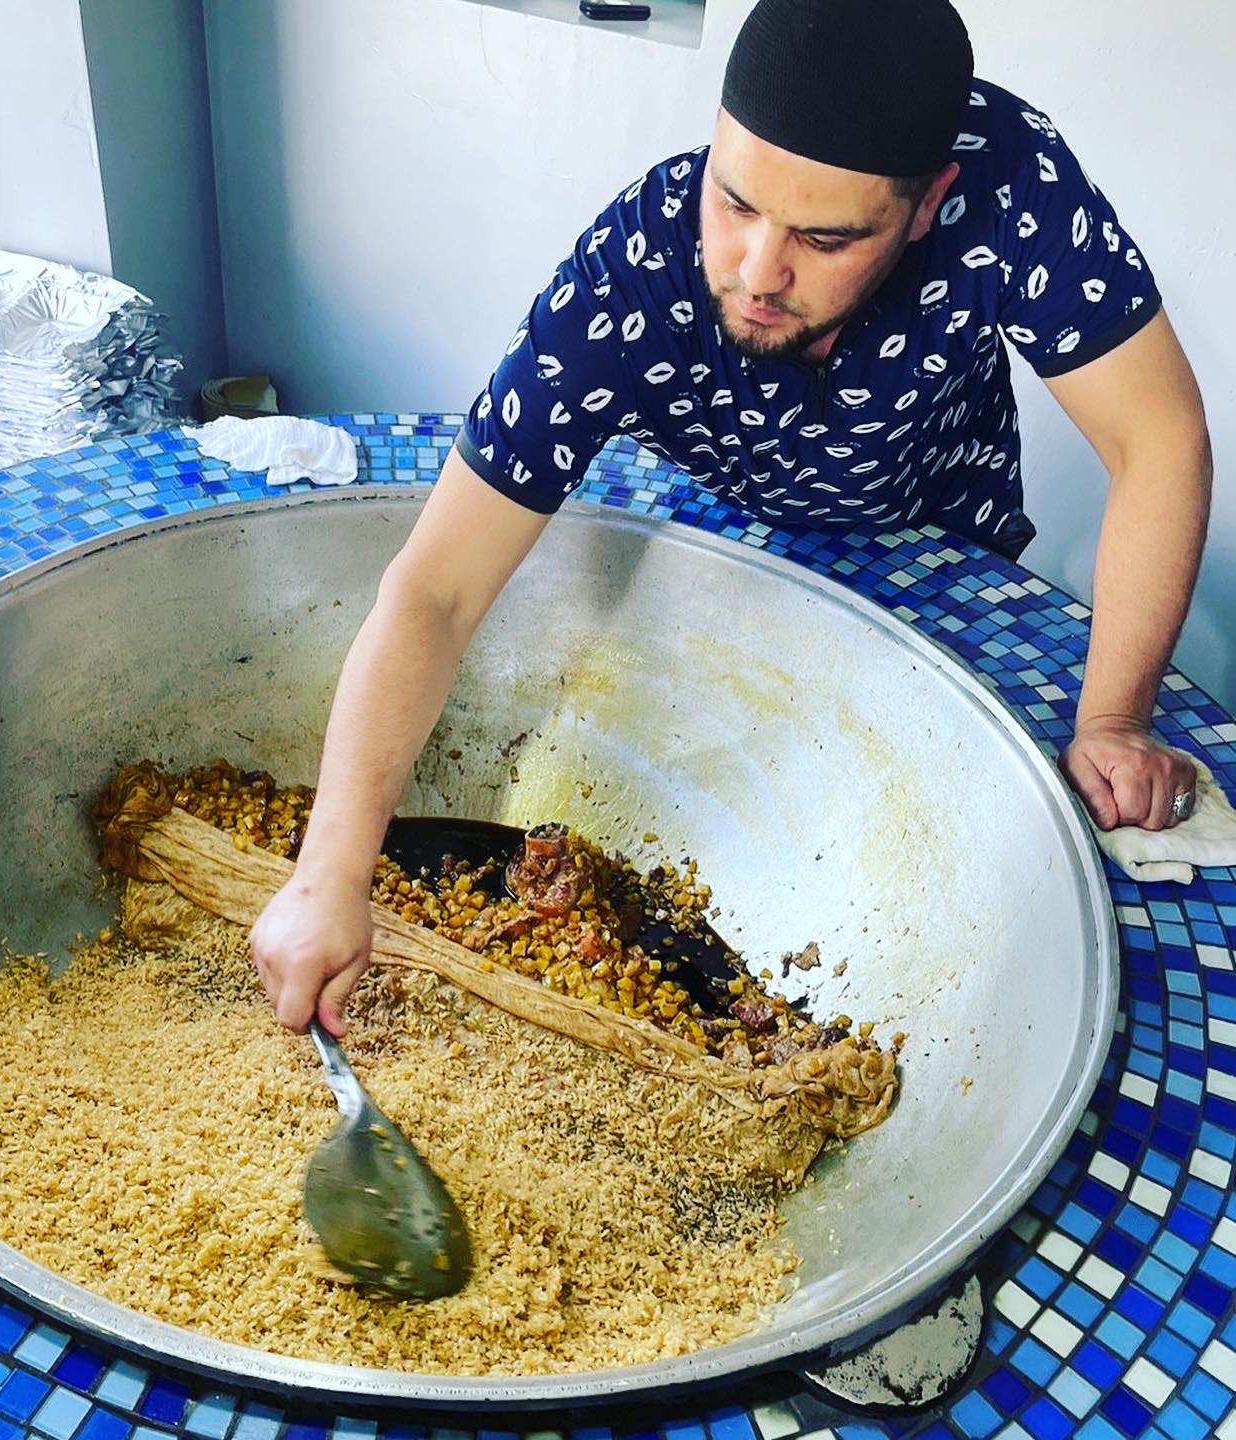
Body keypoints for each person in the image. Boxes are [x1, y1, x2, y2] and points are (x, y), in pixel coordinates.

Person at [252, 0, 1212, 1035]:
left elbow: (1157, 438)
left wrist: (1114, 720)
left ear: (929, 203)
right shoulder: (633, 269)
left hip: (937, 530)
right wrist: (329, 873)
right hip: (721, 511)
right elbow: (436, 590)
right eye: (736, 201)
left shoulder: (1010, 184)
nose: (758, 272)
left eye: (826, 237)